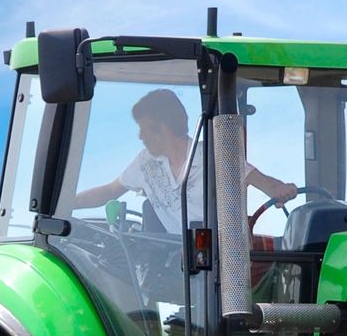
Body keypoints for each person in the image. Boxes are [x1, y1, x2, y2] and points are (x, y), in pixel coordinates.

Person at [73, 87, 297, 231]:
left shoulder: (211, 156)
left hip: (220, 258)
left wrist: (280, 189)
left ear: (163, 127)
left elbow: (260, 180)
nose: (140, 136)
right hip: (175, 259)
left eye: (144, 129)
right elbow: (110, 191)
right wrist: (67, 203)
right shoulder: (146, 163)